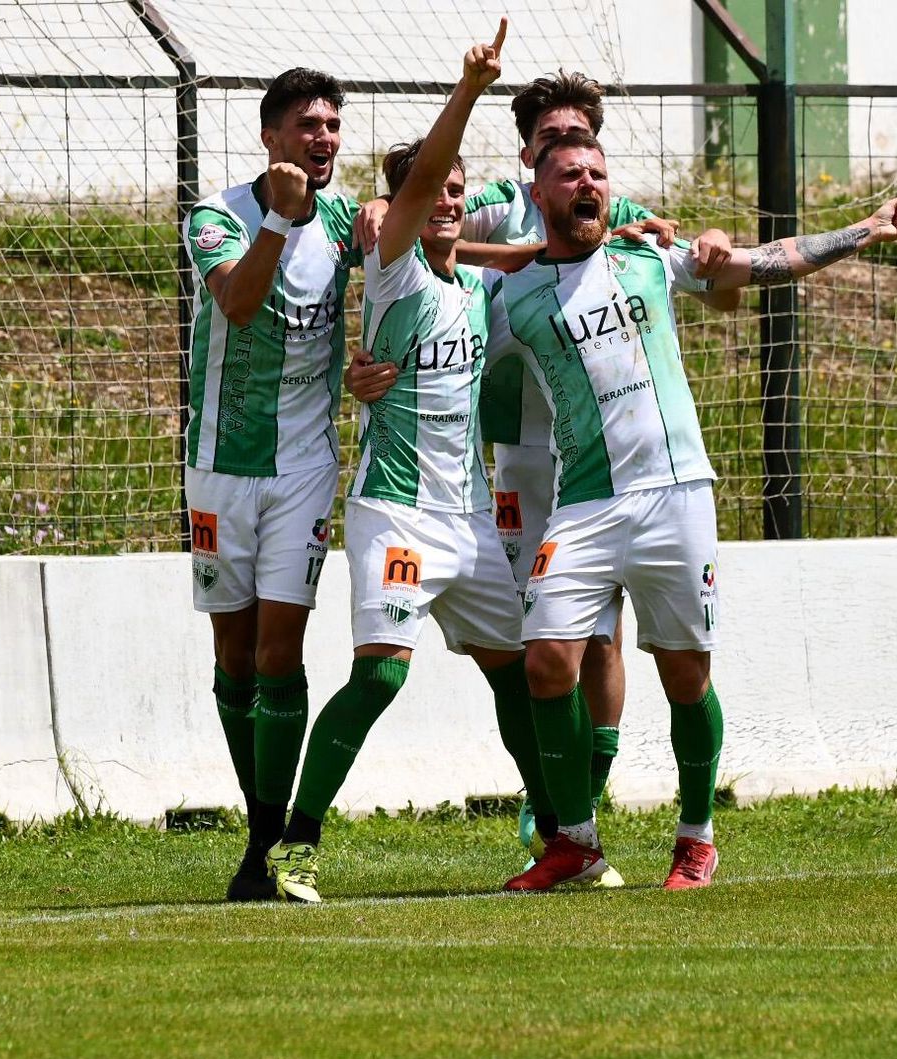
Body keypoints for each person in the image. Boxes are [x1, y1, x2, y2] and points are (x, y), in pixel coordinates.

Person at [498, 130, 897, 892]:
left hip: (674, 493)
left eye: (597, 171)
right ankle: (576, 842)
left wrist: (867, 228)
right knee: (547, 661)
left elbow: (763, 265)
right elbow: (441, 322)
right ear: (539, 191)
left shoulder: (649, 257)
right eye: (569, 175)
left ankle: (696, 837)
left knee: (685, 675)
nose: (587, 183)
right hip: (583, 502)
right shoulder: (515, 293)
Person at [351, 72, 740, 875]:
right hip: (519, 457)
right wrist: (391, 213)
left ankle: (585, 813)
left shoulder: (614, 212)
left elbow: (706, 275)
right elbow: (430, 210)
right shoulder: (498, 197)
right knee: (549, 642)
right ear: (528, 148)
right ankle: (567, 823)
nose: (570, 152)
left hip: (615, 460)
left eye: (582, 134)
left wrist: (703, 244)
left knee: (607, 642)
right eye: (552, 137)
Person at [264, 21, 544, 904]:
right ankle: (294, 846)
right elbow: (419, 185)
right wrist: (469, 91)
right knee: (381, 673)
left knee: (520, 677)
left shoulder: (474, 289)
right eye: (437, 191)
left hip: (467, 520)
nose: (449, 198)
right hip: (397, 509)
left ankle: (565, 835)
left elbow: (525, 231)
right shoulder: (396, 273)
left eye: (461, 190)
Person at [181, 67, 363, 902]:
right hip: (220, 466)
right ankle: (260, 822)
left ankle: (267, 843)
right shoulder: (218, 216)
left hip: (302, 469)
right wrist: (281, 225)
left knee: (278, 650)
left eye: (331, 124)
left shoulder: (347, 219)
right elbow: (241, 304)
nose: (323, 138)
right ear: (269, 136)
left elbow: (438, 217)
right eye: (306, 125)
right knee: (233, 657)